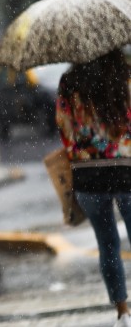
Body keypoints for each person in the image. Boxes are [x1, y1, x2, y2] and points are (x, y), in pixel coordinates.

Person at [55, 48, 131, 327]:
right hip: (127, 168)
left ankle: (123, 313)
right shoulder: (125, 76)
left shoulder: (69, 81)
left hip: (87, 174)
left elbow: (63, 126)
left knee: (107, 244)